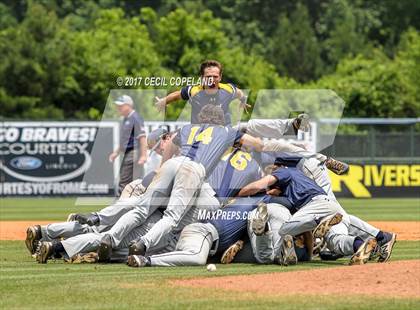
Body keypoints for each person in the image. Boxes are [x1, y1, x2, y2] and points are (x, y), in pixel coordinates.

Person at [154, 60, 250, 125]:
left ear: (220, 77)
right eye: (208, 77)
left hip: (223, 134)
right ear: (202, 78)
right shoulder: (194, 91)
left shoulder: (228, 89)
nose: (212, 80)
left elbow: (239, 93)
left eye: (215, 76)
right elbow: (176, 95)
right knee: (173, 140)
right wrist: (163, 101)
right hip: (198, 135)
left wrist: (243, 100)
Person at [108, 95, 147, 195]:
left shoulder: (135, 118)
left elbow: (142, 137)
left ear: (128, 105)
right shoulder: (126, 119)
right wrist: (116, 153)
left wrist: (143, 155)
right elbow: (124, 141)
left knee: (126, 181)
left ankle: (119, 205)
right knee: (128, 181)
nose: (118, 108)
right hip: (128, 152)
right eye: (118, 105)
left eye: (121, 105)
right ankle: (126, 205)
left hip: (134, 152)